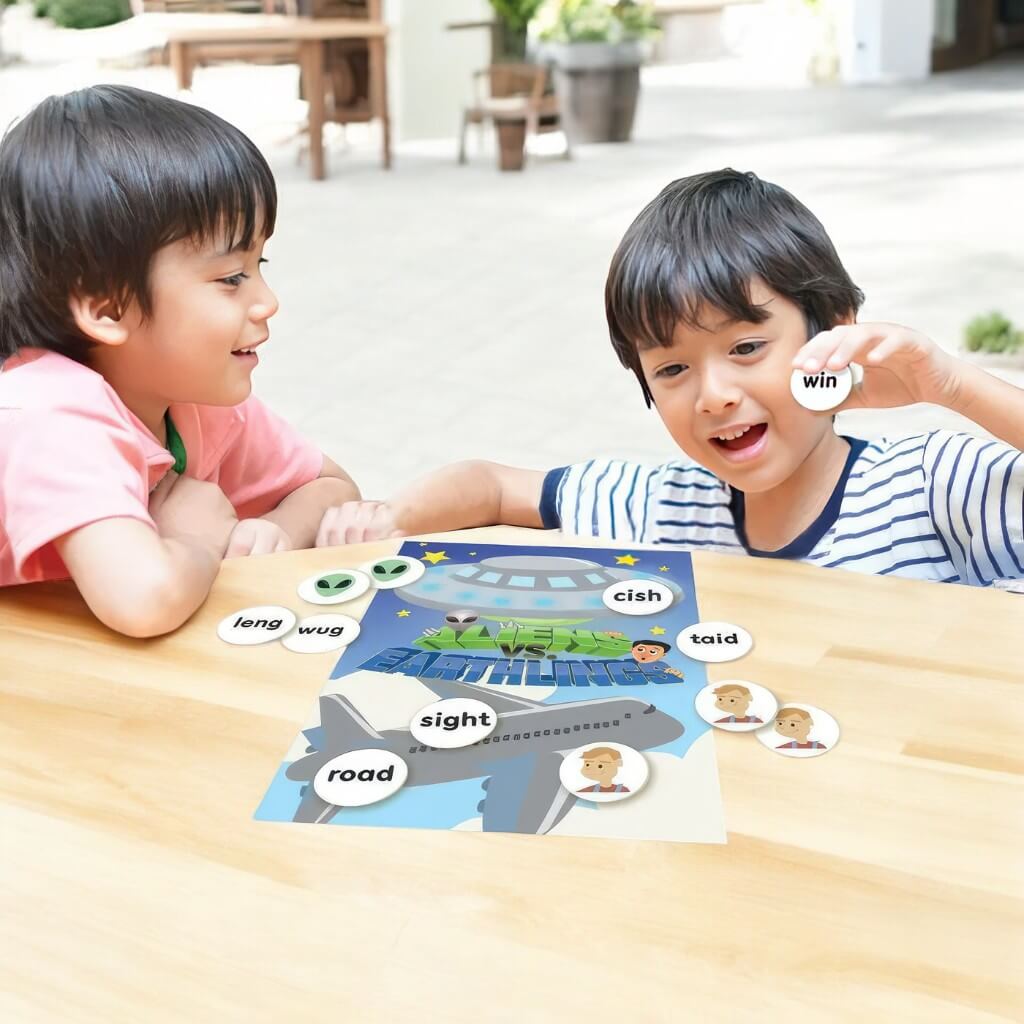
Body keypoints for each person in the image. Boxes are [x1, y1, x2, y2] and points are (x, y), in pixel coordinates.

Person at [320, 170, 1024, 589]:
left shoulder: (934, 486)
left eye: (747, 346)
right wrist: (391, 519)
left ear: (833, 329)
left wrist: (951, 386)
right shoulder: (662, 504)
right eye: (673, 368)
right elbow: (493, 484)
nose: (713, 393)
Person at [0, 86, 359, 636]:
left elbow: (331, 486)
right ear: (107, 306)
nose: (267, 301)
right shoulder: (48, 413)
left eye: (258, 262)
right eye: (231, 278)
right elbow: (145, 601)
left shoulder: (195, 398)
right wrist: (195, 537)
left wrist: (272, 533)